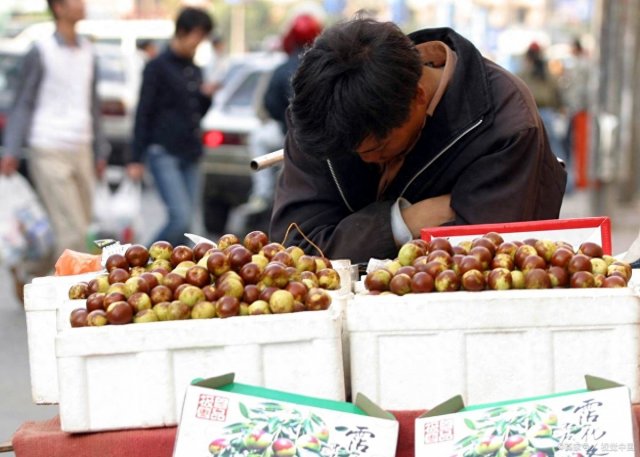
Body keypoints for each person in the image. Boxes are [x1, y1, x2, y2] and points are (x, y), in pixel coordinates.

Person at [270, 17, 567, 263]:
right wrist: (403, 223)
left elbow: (476, 264)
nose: (365, 159)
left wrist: (347, 239)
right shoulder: (319, 114)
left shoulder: (505, 125)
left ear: (418, 98)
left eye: (376, 148)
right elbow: (295, 254)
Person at [1, 0, 108, 258]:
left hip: (81, 146)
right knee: (72, 231)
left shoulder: (88, 51)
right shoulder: (41, 51)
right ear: (58, 8)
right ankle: (69, 294)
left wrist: (100, 150)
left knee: (82, 228)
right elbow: (23, 102)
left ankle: (29, 271)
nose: (82, 4)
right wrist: (11, 150)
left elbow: (93, 105)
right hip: (48, 146)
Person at [127, 7, 215, 247]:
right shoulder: (157, 67)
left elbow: (195, 112)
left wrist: (205, 96)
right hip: (164, 151)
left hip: (191, 151)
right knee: (180, 218)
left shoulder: (195, 68)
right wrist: (135, 157)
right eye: (198, 35)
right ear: (183, 32)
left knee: (189, 227)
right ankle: (141, 261)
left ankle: (179, 278)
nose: (199, 43)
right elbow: (143, 112)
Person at [233, 14, 323, 234]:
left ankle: (261, 192)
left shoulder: (284, 67)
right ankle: (263, 193)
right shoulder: (322, 66)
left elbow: (270, 102)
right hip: (314, 141)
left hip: (292, 138)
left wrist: (286, 125)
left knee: (259, 137)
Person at [517, 42, 566, 168]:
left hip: (531, 113)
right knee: (555, 149)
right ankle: (562, 178)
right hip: (546, 113)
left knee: (531, 149)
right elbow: (557, 94)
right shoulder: (546, 73)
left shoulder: (524, 74)